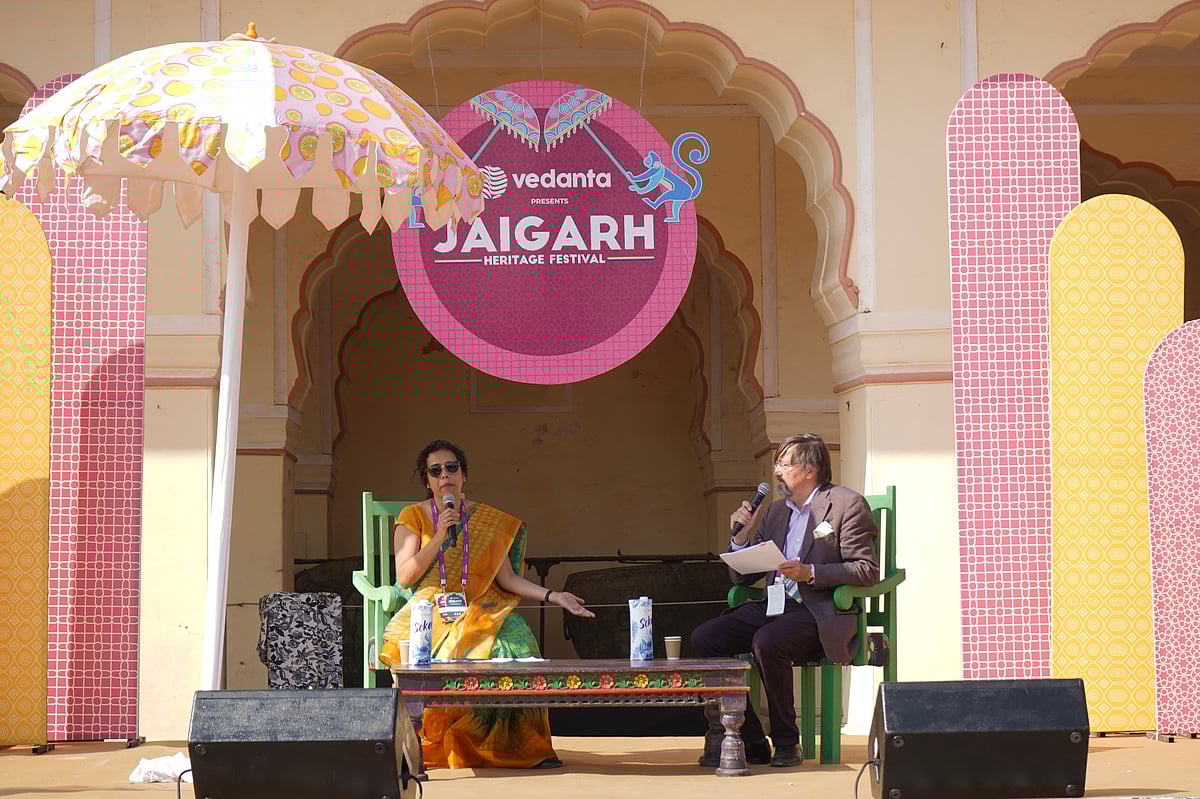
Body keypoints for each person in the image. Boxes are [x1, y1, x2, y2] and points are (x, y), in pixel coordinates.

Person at [379, 439, 595, 769]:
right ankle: (454, 743)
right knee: (457, 651)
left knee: (517, 646)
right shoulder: (413, 516)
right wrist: (439, 536)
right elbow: (406, 576)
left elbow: (506, 579)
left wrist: (554, 596)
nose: (444, 476)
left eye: (451, 468)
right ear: (427, 480)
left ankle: (520, 747)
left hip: (482, 605)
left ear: (463, 475)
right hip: (431, 607)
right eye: (435, 471)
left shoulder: (488, 520)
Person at [691, 433, 879, 768]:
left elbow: (866, 569)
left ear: (810, 470)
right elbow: (742, 578)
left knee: (767, 641)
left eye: (785, 464)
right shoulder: (776, 512)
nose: (777, 471)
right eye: (777, 464)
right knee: (706, 638)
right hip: (774, 604)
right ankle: (749, 739)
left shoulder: (846, 504)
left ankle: (787, 743)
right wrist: (740, 537)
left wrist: (811, 572)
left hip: (818, 609)